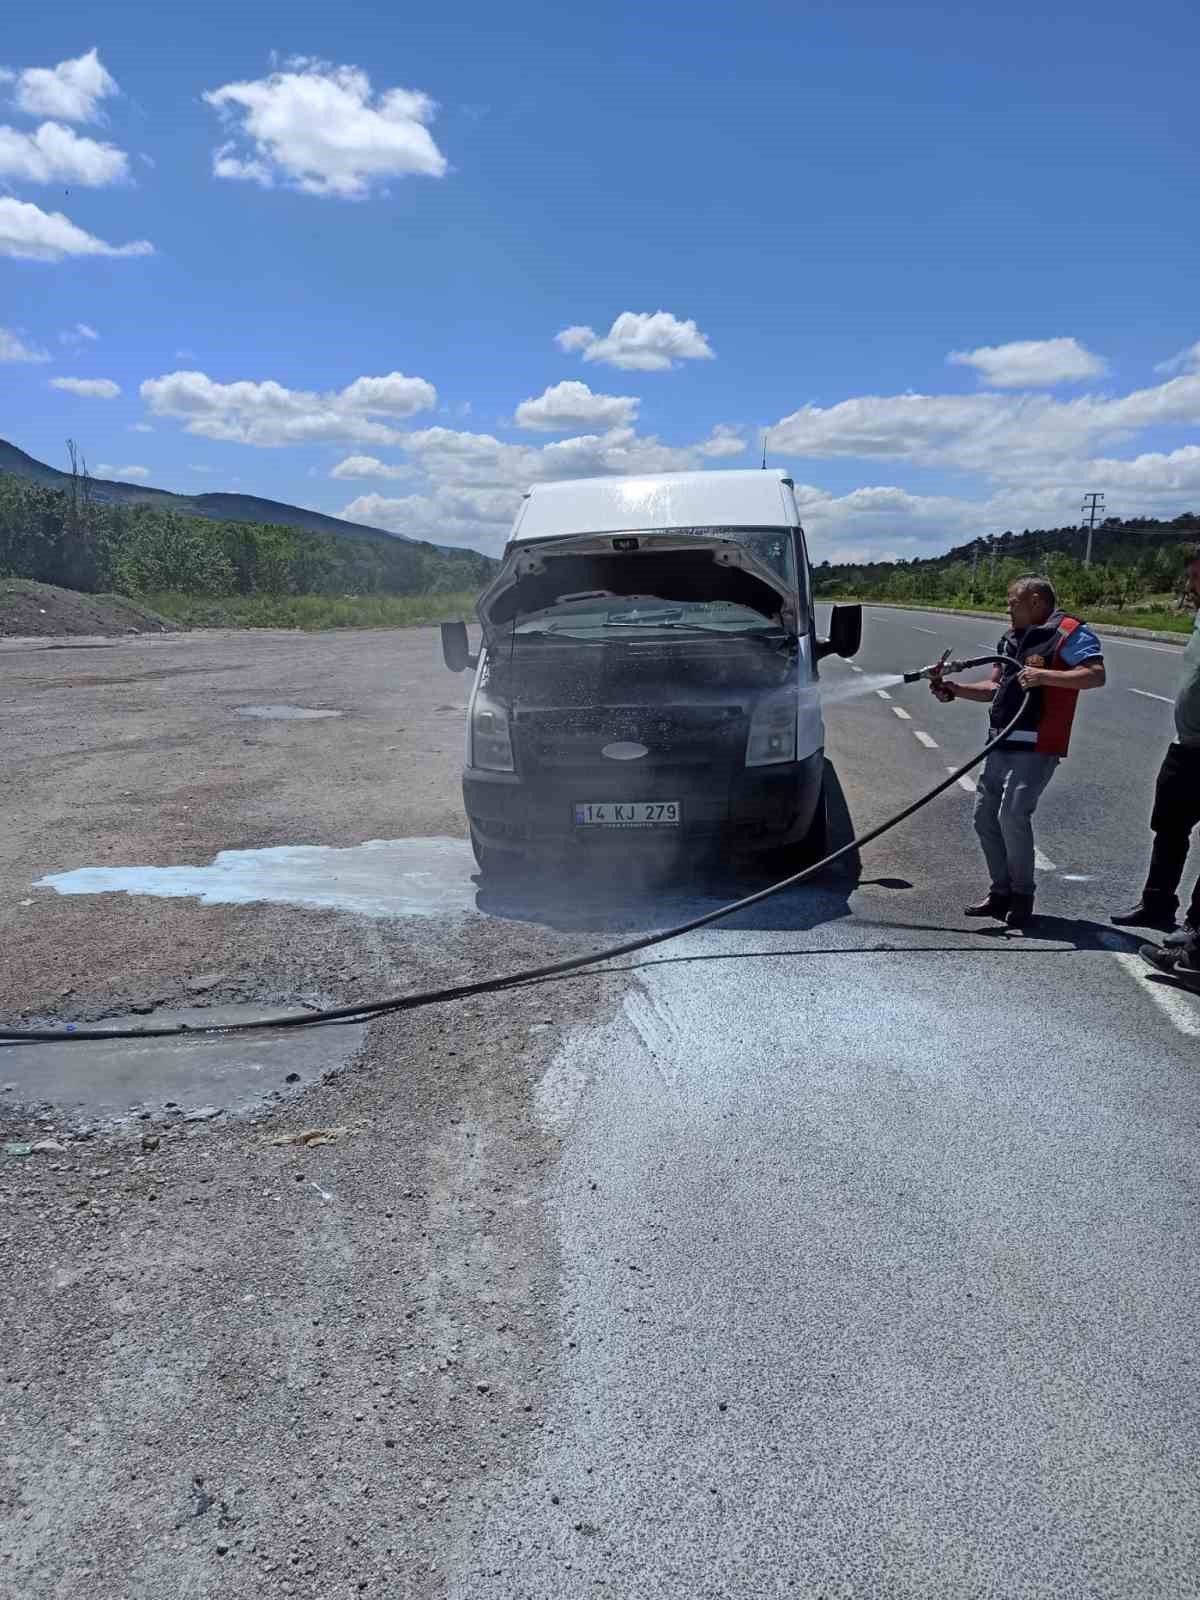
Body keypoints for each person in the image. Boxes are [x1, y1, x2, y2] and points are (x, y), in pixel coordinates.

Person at [929, 576, 1106, 928]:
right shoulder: (1010, 638)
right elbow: (995, 686)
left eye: (1013, 601)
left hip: (1038, 742)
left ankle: (1023, 896)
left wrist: (1045, 677)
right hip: (1001, 741)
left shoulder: (1069, 632)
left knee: (1013, 814)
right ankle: (1000, 893)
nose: (1007, 607)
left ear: (1037, 601)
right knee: (983, 816)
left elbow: (1095, 675)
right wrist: (955, 688)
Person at [1112, 547, 1200, 978]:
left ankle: (1196, 939)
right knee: (1167, 827)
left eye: (1197, 577)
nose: (1190, 586)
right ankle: (1157, 904)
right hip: (1187, 747)